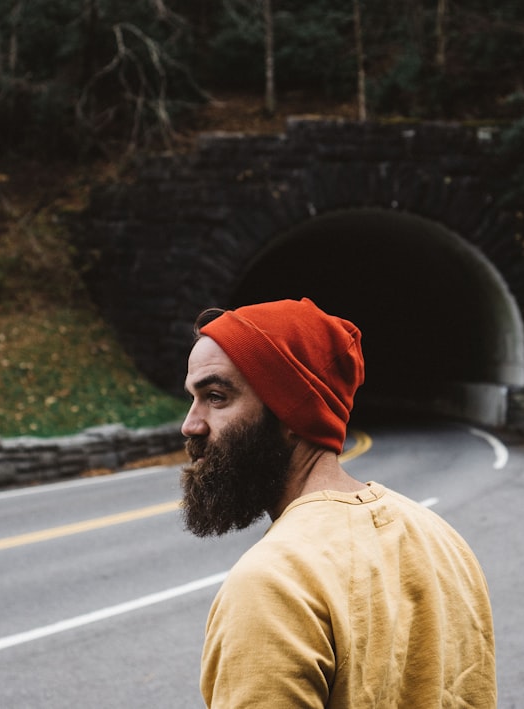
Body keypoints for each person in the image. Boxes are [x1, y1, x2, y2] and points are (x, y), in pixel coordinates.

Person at [179, 297, 497, 708]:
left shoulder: (274, 584)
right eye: (193, 398)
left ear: (293, 415)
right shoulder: (444, 542)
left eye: (217, 397)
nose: (191, 424)